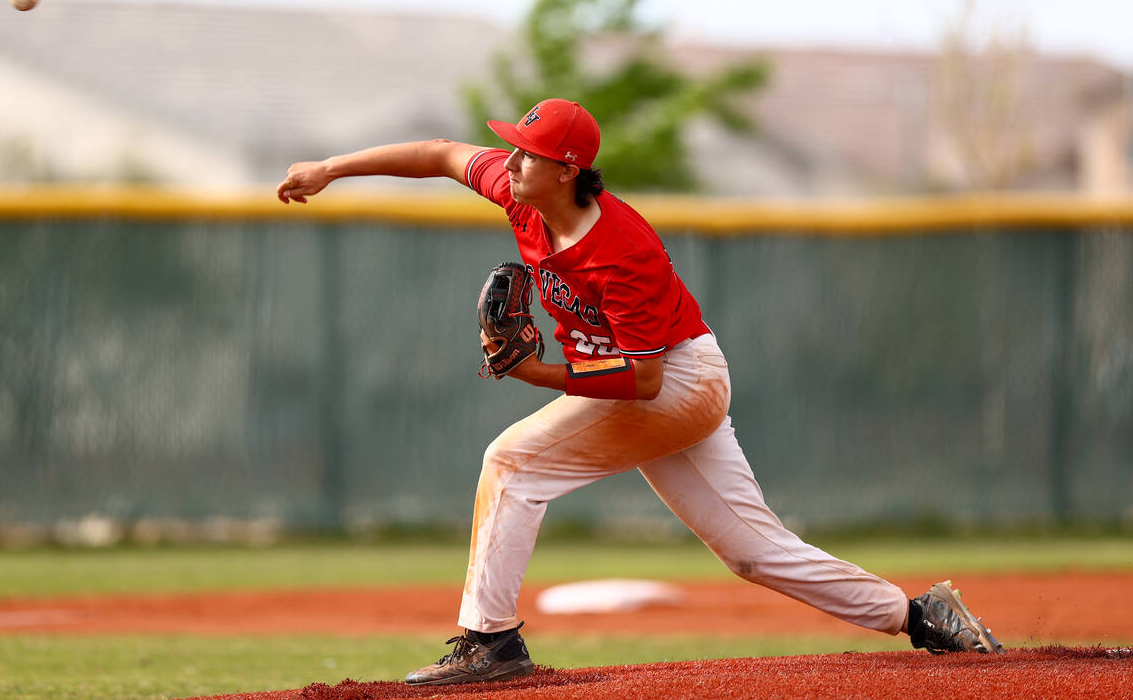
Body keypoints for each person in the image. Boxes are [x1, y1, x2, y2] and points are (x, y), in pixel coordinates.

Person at [276, 98, 1003, 686]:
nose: (512, 160)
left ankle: (488, 641)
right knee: (752, 551)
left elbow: (644, 379)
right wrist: (331, 169)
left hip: (674, 381)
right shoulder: (523, 196)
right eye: (515, 148)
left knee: (513, 462)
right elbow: (439, 154)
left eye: (528, 152)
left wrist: (539, 376)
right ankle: (919, 616)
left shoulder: (622, 248)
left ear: (566, 170)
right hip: (643, 381)